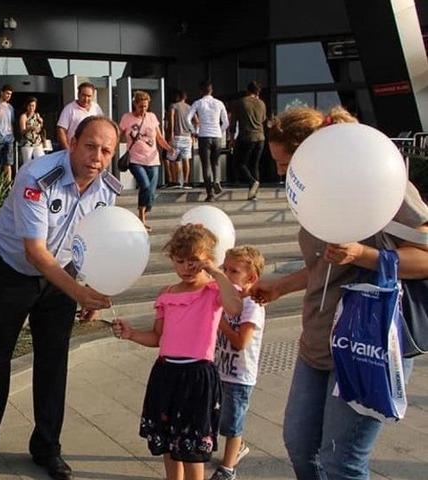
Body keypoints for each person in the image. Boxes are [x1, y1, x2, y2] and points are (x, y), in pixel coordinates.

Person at [254, 106, 428, 480]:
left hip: (369, 343)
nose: (281, 172)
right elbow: (325, 263)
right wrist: (280, 286)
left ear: (311, 153)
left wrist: (364, 254)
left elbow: (426, 254)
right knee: (300, 445)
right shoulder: (314, 188)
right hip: (317, 340)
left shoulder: (376, 177)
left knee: (342, 460)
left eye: (284, 163)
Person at [0, 116, 120, 480]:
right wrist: (78, 291)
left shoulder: (108, 189)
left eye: (106, 150)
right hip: (11, 269)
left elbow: (95, 241)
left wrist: (90, 286)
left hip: (62, 273)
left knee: (54, 363)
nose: (96, 157)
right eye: (90, 146)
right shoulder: (36, 177)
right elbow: (35, 252)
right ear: (72, 142)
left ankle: (47, 448)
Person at [112, 223, 242, 480]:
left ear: (208, 259)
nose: (187, 267)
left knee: (191, 446)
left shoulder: (213, 291)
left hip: (197, 375)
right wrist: (132, 334)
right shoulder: (167, 294)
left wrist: (216, 273)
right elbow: (158, 337)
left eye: (194, 261)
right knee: (169, 443)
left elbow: (235, 307)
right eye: (180, 261)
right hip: (166, 372)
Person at [210, 246, 267, 480]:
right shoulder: (227, 295)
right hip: (218, 368)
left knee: (233, 423)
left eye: (233, 271)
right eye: (225, 268)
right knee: (219, 416)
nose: (226, 274)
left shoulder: (253, 304)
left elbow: (241, 342)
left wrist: (218, 322)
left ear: (251, 278)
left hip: (239, 375)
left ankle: (228, 467)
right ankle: (237, 446)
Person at [119, 90, 171, 230]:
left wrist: (169, 148)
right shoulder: (127, 118)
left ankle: (143, 212)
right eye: (141, 106)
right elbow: (119, 134)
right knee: (145, 186)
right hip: (135, 159)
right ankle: (141, 218)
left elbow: (159, 137)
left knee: (151, 193)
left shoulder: (152, 117)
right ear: (135, 104)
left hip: (153, 159)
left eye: (146, 106)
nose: (143, 109)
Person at [187, 81, 229, 202]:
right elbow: (226, 123)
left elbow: (187, 118)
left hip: (204, 136)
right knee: (215, 162)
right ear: (211, 90)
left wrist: (194, 130)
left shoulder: (198, 103)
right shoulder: (219, 103)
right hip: (216, 136)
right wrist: (219, 132)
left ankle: (210, 194)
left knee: (206, 165)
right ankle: (216, 180)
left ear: (201, 91)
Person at [229, 81, 267, 200]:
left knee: (239, 163)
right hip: (260, 137)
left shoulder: (240, 102)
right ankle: (253, 193)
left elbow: (233, 122)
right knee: (254, 164)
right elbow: (263, 119)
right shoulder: (262, 103)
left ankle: (252, 182)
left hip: (246, 136)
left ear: (247, 91)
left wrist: (232, 138)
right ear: (258, 92)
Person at [56, 82, 104, 150]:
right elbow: (61, 130)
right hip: (75, 150)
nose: (86, 99)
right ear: (78, 94)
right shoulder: (69, 109)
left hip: (92, 150)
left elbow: (102, 126)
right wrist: (67, 149)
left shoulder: (96, 108)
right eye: (83, 95)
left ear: (93, 96)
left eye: (89, 96)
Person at [167, 90, 193, 190]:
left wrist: (171, 133)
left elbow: (172, 120)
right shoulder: (189, 108)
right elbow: (196, 121)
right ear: (185, 97)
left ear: (178, 97)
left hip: (177, 136)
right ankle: (186, 182)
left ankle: (176, 181)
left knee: (175, 159)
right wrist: (193, 132)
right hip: (187, 137)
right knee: (186, 159)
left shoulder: (173, 106)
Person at [19, 96, 46, 163]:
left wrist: (41, 123)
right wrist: (30, 128)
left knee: (41, 161)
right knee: (27, 163)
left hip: (37, 142)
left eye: (33, 106)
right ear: (27, 106)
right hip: (27, 143)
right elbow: (22, 131)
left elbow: (40, 129)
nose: (31, 108)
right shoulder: (24, 116)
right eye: (30, 105)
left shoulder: (37, 115)